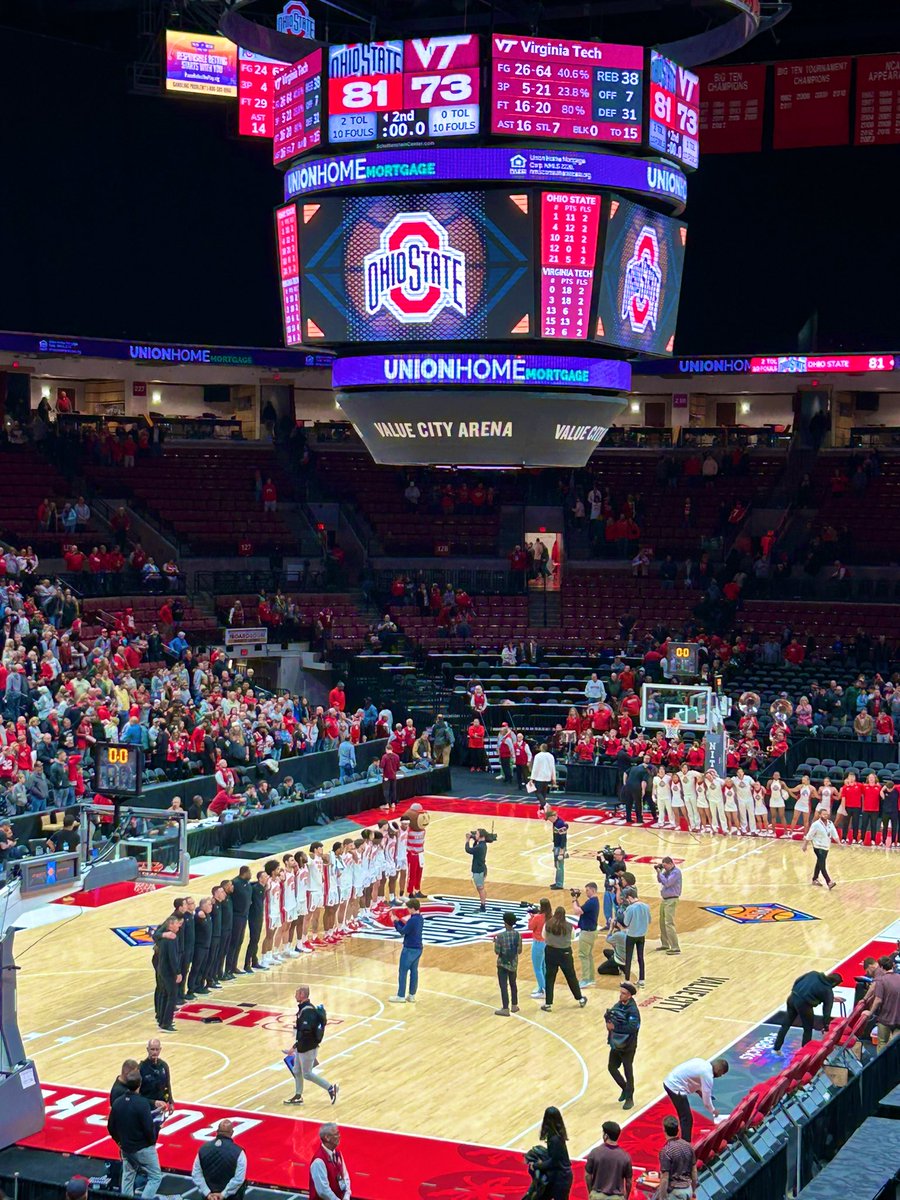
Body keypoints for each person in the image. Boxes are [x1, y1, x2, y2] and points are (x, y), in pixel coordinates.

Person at [107, 1071, 162, 1199]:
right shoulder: (142, 1103)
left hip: (125, 1148)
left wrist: (119, 1142)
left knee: (128, 1175)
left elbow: (110, 1127)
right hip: (142, 1148)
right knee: (155, 1177)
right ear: (139, 1085)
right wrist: (152, 1142)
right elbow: (148, 1128)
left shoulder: (118, 1102)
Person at [284, 985, 339, 1106]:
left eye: (297, 993)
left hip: (308, 1047)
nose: (295, 995)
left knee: (307, 1073)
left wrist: (294, 1047)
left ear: (302, 995)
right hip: (303, 1046)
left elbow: (306, 1033)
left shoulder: (307, 1011)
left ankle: (330, 1088)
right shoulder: (304, 1009)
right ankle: (298, 1096)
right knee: (296, 1070)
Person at [772, 970, 843, 1052]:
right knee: (808, 1029)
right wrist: (826, 1026)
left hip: (792, 998)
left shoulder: (814, 974)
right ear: (834, 984)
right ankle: (804, 1052)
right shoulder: (828, 991)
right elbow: (827, 1011)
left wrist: (795, 991)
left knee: (785, 1025)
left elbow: (798, 980)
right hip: (804, 1005)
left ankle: (776, 1048)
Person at [662, 1057, 729, 1141]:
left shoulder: (701, 1062)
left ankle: (684, 1142)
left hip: (670, 1080)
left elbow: (690, 1079)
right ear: (719, 1070)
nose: (720, 1076)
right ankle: (686, 1145)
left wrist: (700, 1092)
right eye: (722, 1074)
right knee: (686, 1118)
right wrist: (713, 1110)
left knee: (685, 1116)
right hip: (674, 1087)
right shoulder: (708, 1075)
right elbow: (706, 1102)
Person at [541, 906, 588, 1012]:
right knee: (571, 977)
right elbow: (572, 937)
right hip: (565, 953)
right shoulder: (569, 926)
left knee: (549, 978)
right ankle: (580, 999)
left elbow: (543, 935)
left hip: (550, 951)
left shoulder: (548, 924)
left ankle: (548, 1004)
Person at [191, 1119, 247, 1200]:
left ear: (217, 1131)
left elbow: (196, 1174)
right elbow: (239, 1178)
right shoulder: (239, 1152)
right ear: (232, 1133)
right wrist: (223, 1194)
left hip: (209, 1197)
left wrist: (208, 1193)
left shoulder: (203, 1149)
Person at [605, 982, 641, 1111]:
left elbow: (632, 1028)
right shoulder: (618, 1005)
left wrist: (615, 1027)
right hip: (616, 1043)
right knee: (612, 1067)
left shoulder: (633, 1010)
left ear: (630, 995)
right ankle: (625, 1089)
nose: (621, 995)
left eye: (624, 993)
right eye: (620, 992)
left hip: (628, 1045)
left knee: (627, 1069)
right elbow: (612, 1018)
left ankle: (630, 1097)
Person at [583, 1120, 632, 1200]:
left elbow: (587, 1175)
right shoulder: (625, 1157)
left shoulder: (595, 1152)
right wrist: (626, 1197)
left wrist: (591, 1192)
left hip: (597, 1196)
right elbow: (628, 1181)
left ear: (606, 1135)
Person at [533, 1107, 573, 1200]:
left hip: (561, 1178)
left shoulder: (555, 1140)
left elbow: (553, 1162)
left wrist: (537, 1165)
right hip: (561, 1176)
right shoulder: (556, 1136)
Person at [655, 1115, 698, 1200]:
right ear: (678, 1130)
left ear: (664, 1130)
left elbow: (664, 1178)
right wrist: (693, 1191)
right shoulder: (688, 1146)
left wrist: (662, 1198)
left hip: (676, 1193)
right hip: (687, 1189)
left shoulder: (666, 1151)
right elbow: (694, 1171)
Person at [389, 897, 423, 1003]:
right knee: (414, 972)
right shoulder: (420, 918)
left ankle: (401, 996)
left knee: (403, 972)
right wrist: (399, 921)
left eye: (408, 908)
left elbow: (403, 931)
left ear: (412, 908)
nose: (407, 910)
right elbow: (408, 928)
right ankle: (412, 995)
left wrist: (395, 922)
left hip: (409, 949)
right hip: (418, 948)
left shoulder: (413, 920)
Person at [864, 955, 900, 1048]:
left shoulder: (881, 980)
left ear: (881, 967)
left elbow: (878, 1000)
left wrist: (870, 1012)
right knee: (895, 1045)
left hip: (885, 1018)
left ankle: (883, 1063)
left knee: (882, 1043)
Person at [309, 1123, 351, 1200]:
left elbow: (345, 1176)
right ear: (327, 1137)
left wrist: (346, 1196)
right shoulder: (318, 1161)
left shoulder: (338, 1153)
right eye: (336, 1134)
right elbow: (323, 1191)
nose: (339, 1136)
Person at [803, 805, 839, 889]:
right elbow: (809, 835)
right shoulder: (816, 824)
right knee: (822, 864)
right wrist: (805, 845)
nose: (826, 816)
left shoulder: (830, 823)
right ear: (819, 815)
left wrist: (838, 842)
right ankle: (829, 882)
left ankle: (814, 879)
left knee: (819, 863)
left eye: (827, 814)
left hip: (826, 846)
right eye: (824, 814)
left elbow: (834, 833)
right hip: (818, 846)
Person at [572, 882, 600, 987]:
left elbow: (577, 911)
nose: (586, 892)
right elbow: (582, 910)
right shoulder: (593, 901)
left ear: (593, 890)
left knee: (583, 955)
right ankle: (591, 978)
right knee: (588, 955)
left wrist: (574, 900)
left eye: (587, 890)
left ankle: (585, 979)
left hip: (587, 932)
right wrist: (577, 901)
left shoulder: (592, 902)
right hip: (591, 931)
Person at [494, 911, 522, 1016]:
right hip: (513, 964)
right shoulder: (518, 935)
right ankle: (514, 1005)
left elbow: (497, 951)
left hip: (502, 964)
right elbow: (519, 950)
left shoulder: (500, 936)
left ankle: (505, 1008)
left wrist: (496, 943)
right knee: (513, 984)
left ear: (505, 923)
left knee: (503, 986)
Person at [621, 890, 650, 988]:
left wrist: (625, 914)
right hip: (642, 935)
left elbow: (626, 922)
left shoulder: (630, 908)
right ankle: (642, 979)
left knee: (628, 957)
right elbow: (649, 920)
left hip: (632, 935)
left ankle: (627, 980)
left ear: (629, 897)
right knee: (640, 957)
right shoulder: (646, 906)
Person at [139, 1039, 174, 1116]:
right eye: (152, 1049)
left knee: (158, 1127)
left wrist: (171, 1102)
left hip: (161, 1107)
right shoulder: (141, 1068)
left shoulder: (164, 1066)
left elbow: (167, 1084)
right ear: (147, 1049)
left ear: (160, 1050)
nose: (155, 1052)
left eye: (157, 1049)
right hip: (146, 1107)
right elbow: (137, 1092)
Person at [655, 857, 682, 955]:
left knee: (669, 923)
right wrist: (659, 872)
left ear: (670, 863)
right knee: (662, 922)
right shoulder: (667, 871)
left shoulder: (676, 872)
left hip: (672, 899)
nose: (664, 868)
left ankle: (675, 947)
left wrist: (661, 873)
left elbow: (667, 883)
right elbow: (659, 880)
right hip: (665, 899)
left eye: (665, 866)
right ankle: (665, 944)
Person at [529, 897, 552, 1000]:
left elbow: (530, 927)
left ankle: (544, 990)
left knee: (537, 968)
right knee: (544, 967)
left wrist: (531, 917)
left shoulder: (538, 917)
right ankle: (542, 988)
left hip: (538, 943)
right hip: (547, 943)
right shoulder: (550, 916)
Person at [465, 828, 490, 912]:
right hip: (481, 867)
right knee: (481, 888)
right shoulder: (482, 844)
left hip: (479, 870)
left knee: (480, 888)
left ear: (481, 836)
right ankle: (483, 904)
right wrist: (474, 838)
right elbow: (475, 846)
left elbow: (468, 850)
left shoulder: (480, 847)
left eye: (477, 834)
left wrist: (467, 840)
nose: (475, 835)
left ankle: (483, 906)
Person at [531, 743, 557, 809]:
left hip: (539, 777)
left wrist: (532, 778)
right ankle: (542, 808)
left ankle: (544, 804)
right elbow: (553, 767)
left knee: (538, 792)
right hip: (547, 777)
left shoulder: (538, 756)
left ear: (541, 748)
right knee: (544, 793)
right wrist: (553, 778)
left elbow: (535, 767)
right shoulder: (551, 756)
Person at [548, 810, 568, 890]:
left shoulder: (560, 824)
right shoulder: (555, 823)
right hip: (557, 846)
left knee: (559, 866)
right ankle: (557, 882)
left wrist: (562, 851)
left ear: (553, 817)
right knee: (557, 865)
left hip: (560, 847)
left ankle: (559, 884)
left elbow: (563, 838)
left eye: (549, 819)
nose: (549, 821)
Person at [380, 743, 400, 810]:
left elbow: (382, 766)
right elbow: (398, 767)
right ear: (392, 749)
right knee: (393, 789)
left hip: (386, 776)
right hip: (394, 776)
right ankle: (393, 803)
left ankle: (387, 804)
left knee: (386, 790)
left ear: (386, 749)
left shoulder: (384, 757)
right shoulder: (397, 756)